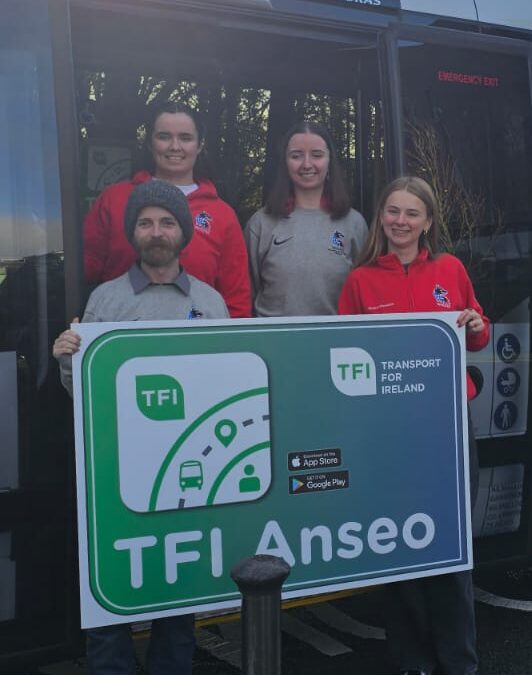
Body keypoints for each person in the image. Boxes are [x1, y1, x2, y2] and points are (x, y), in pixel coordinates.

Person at [53, 180, 229, 675]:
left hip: (187, 473)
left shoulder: (211, 302)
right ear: (132, 233)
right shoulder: (105, 300)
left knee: (178, 591)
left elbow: (226, 379)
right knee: (109, 594)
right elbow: (82, 391)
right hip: (117, 473)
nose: (156, 232)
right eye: (146, 223)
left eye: (167, 222)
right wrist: (67, 358)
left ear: (183, 232)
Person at [338, 176, 488, 675]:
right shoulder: (360, 280)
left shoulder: (451, 269)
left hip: (447, 426)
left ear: (428, 222)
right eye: (392, 211)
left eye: (411, 213)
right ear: (381, 217)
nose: (400, 221)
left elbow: (478, 333)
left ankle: (458, 661)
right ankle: (412, 662)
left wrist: (475, 324)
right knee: (398, 547)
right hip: (389, 432)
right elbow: (344, 353)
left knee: (450, 544)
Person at [83, 101, 251, 317]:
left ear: (200, 145)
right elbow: (84, 274)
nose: (175, 146)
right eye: (164, 137)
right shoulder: (113, 200)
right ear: (150, 143)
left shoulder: (222, 214)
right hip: (123, 332)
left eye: (185, 138)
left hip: (194, 334)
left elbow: (236, 300)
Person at [245, 120, 367, 316]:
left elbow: (363, 292)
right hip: (274, 334)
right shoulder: (261, 223)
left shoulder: (353, 223)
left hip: (336, 334)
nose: (307, 164)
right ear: (285, 162)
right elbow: (247, 292)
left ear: (329, 160)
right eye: (296, 156)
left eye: (317, 155)